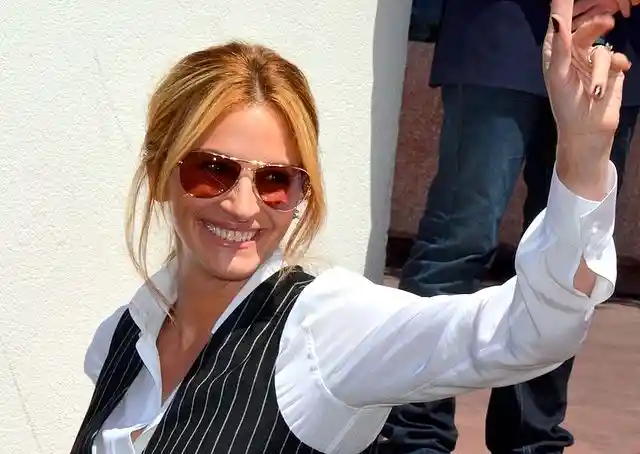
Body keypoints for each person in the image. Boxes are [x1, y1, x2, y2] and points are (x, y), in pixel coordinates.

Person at [71, 4, 627, 452]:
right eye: (211, 171)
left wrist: (581, 158)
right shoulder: (119, 339)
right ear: (160, 172)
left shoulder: (324, 331)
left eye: (275, 181)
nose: (242, 207)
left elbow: (526, 331)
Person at [382, 2, 638, 453]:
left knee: (574, 252)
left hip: (615, 33)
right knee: (460, 239)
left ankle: (531, 438)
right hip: (500, 23)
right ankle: (414, 436)